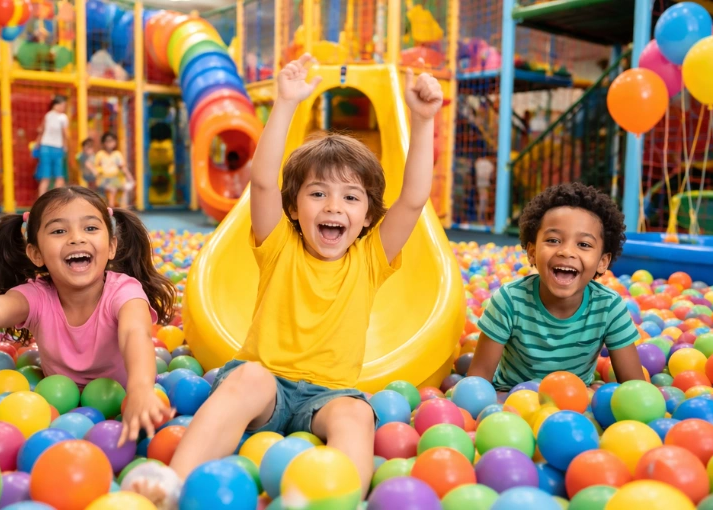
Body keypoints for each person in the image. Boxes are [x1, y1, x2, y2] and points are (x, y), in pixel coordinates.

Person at [126, 53, 443, 505]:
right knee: (248, 378)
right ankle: (175, 482)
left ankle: (344, 499)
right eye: (318, 194)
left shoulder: (372, 258)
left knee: (356, 413)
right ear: (295, 208)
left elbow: (413, 200)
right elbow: (263, 183)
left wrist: (422, 119)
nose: (334, 207)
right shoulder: (279, 244)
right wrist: (286, 103)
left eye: (351, 198)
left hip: (328, 397)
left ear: (369, 215)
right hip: (268, 389)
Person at [0, 186, 176, 445]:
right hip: (50, 413)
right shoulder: (37, 296)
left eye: (91, 228)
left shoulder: (125, 292)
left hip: (122, 404)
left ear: (111, 247)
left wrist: (140, 390)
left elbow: (135, 335)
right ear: (36, 254)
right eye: (59, 230)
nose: (76, 238)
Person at [467, 182, 645, 391]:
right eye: (553, 240)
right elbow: (476, 385)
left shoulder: (609, 307)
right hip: (512, 400)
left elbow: (636, 390)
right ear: (532, 251)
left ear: (602, 261)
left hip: (575, 408)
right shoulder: (509, 301)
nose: (566, 252)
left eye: (584, 244)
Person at [35, 95, 69, 197]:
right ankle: (56, 200)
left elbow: (41, 130)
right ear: (56, 105)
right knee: (59, 176)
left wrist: (37, 144)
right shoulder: (63, 117)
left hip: (44, 147)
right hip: (57, 148)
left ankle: (41, 199)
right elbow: (66, 134)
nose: (64, 108)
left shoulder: (48, 115)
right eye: (63, 105)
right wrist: (66, 145)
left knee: (45, 176)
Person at [96, 132, 134, 208]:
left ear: (115, 143)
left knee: (125, 188)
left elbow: (122, 167)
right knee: (112, 189)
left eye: (112, 141)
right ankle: (111, 208)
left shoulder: (117, 154)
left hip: (116, 179)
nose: (109, 143)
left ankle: (123, 207)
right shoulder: (100, 154)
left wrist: (130, 177)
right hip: (104, 179)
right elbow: (96, 168)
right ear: (103, 143)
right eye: (107, 141)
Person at [474, 156, 494, 225]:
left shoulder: (478, 162)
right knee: (484, 200)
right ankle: (481, 218)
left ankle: (481, 218)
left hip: (480, 183)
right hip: (485, 183)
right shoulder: (489, 164)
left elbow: (477, 174)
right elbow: (491, 175)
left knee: (483, 200)